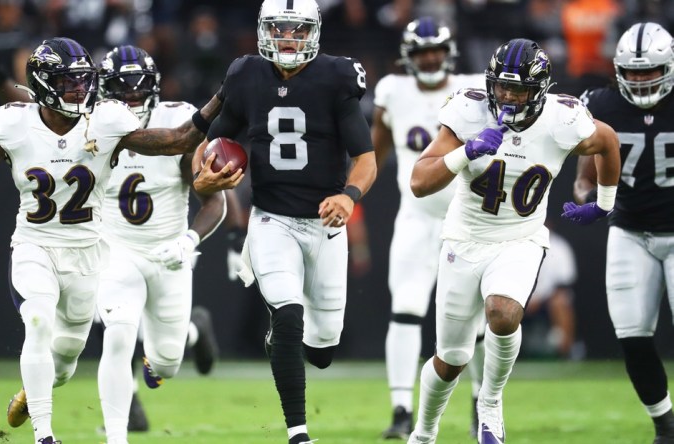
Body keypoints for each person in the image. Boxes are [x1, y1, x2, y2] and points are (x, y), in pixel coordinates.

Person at [0, 37, 220, 444]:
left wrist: (224, 95)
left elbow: (178, 141)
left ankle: (35, 388)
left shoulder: (107, 119)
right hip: (35, 245)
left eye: (83, 80)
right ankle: (46, 435)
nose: (80, 90)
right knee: (41, 322)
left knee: (65, 361)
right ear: (44, 85)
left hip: (88, 253)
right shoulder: (14, 125)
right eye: (68, 82)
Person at [406, 38, 620, 444]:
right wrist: (465, 151)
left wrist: (604, 203)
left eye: (517, 89)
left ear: (539, 91)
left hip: (520, 239)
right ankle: (424, 432)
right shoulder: (468, 111)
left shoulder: (563, 118)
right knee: (451, 357)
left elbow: (607, 140)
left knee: (503, 314)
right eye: (501, 86)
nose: (506, 96)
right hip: (465, 237)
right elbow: (419, 182)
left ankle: (490, 403)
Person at [192, 1, 377, 443]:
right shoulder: (247, 75)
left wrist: (348, 196)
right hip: (272, 220)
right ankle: (298, 433)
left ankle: (285, 344)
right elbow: (214, 143)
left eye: (296, 30)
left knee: (323, 350)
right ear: (263, 31)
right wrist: (204, 180)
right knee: (288, 314)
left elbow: (366, 161)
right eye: (279, 29)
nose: (287, 38)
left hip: (325, 224)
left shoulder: (335, 78)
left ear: (313, 33)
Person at [94, 44, 226, 444]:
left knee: (165, 365)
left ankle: (193, 331)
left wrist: (189, 241)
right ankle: (118, 437)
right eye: (123, 91)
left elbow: (214, 200)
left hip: (169, 254)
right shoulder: (91, 125)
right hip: (117, 250)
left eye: (139, 91)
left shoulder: (178, 121)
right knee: (117, 330)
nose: (133, 99)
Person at [371, 16, 486, 440]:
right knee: (405, 309)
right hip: (417, 218)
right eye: (422, 52)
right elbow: (373, 153)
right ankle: (401, 409)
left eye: (436, 49)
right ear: (409, 57)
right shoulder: (392, 91)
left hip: (470, 216)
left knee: (476, 319)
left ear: (448, 51)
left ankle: (482, 403)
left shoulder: (474, 88)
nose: (431, 58)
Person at [576, 22, 674, 443]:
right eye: (631, 73)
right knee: (632, 335)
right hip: (630, 229)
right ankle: (665, 424)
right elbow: (584, 174)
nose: (639, 80)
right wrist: (587, 196)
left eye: (648, 72)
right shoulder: (600, 104)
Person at [522, 225, 579, 360]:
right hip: (518, 299)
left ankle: (565, 354)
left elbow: (563, 285)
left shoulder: (559, 247)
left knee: (560, 302)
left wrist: (538, 300)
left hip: (546, 301)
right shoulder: (517, 245)